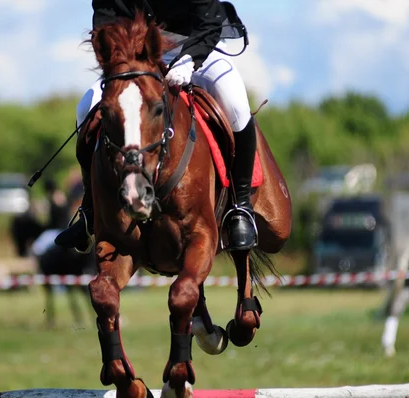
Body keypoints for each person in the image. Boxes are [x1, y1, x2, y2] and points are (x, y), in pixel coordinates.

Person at [55, 0, 259, 253]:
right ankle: (90, 207)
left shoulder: (197, 46)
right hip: (136, 57)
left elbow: (209, 22)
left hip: (198, 45)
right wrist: (119, 59)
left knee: (235, 103)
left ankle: (240, 207)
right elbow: (104, 23)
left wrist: (188, 60)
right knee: (86, 106)